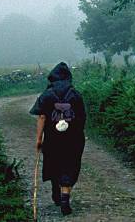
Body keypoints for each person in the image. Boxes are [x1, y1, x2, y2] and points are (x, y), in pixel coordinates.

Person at [30, 62, 86, 216]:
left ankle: (56, 194)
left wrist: (39, 139)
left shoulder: (46, 95)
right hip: (73, 138)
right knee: (69, 164)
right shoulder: (75, 94)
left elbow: (41, 116)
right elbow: (82, 118)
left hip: (52, 139)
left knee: (55, 162)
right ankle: (65, 197)